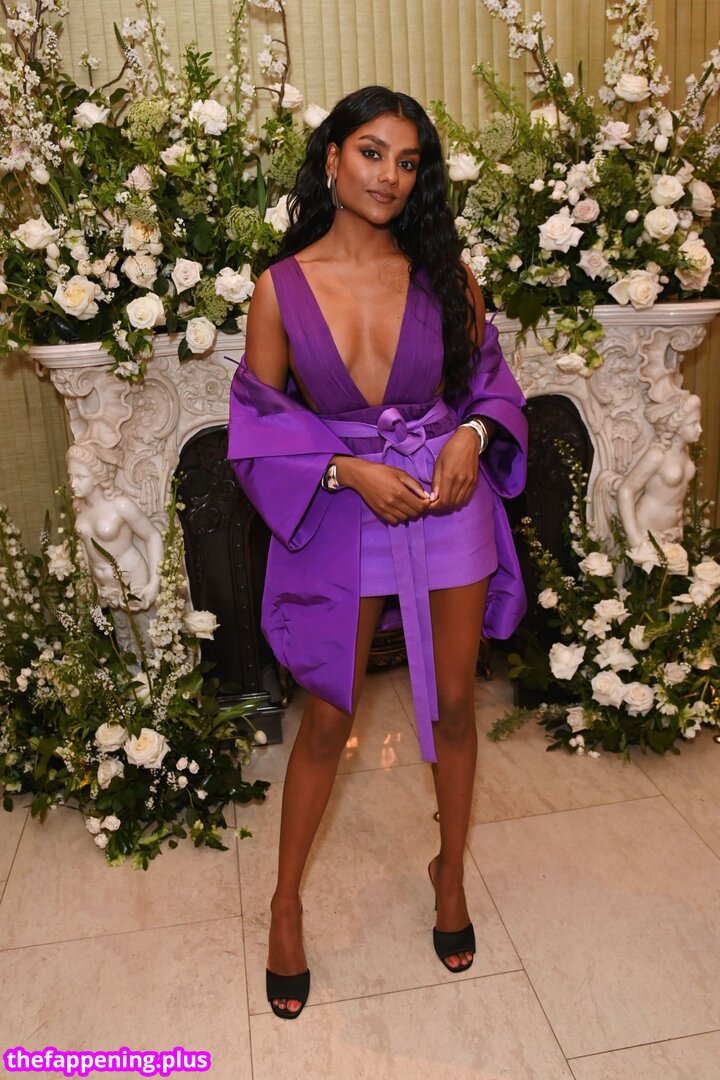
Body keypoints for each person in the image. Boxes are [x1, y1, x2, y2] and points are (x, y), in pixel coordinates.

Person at [227, 86, 527, 1020]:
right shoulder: (280, 288)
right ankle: (284, 904)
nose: (389, 175)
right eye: (371, 152)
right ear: (332, 158)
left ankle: (450, 877)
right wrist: (347, 471)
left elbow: (491, 384)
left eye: (407, 161)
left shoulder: (444, 273)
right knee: (327, 716)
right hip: (345, 505)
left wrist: (473, 435)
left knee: (455, 707)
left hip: (447, 498)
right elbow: (257, 430)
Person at [67, 442, 163, 610]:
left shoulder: (120, 505)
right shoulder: (78, 506)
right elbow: (85, 543)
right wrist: (88, 578)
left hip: (133, 581)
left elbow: (152, 536)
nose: (73, 483)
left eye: (81, 477)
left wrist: (154, 583)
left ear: (97, 476)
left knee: (146, 626)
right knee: (118, 628)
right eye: (70, 476)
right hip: (102, 586)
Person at [617, 391, 702, 548]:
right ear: (678, 427)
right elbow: (626, 490)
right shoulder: (657, 455)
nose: (700, 429)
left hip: (673, 531)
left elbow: (678, 493)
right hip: (648, 529)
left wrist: (680, 523)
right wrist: (633, 535)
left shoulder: (685, 452)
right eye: (693, 424)